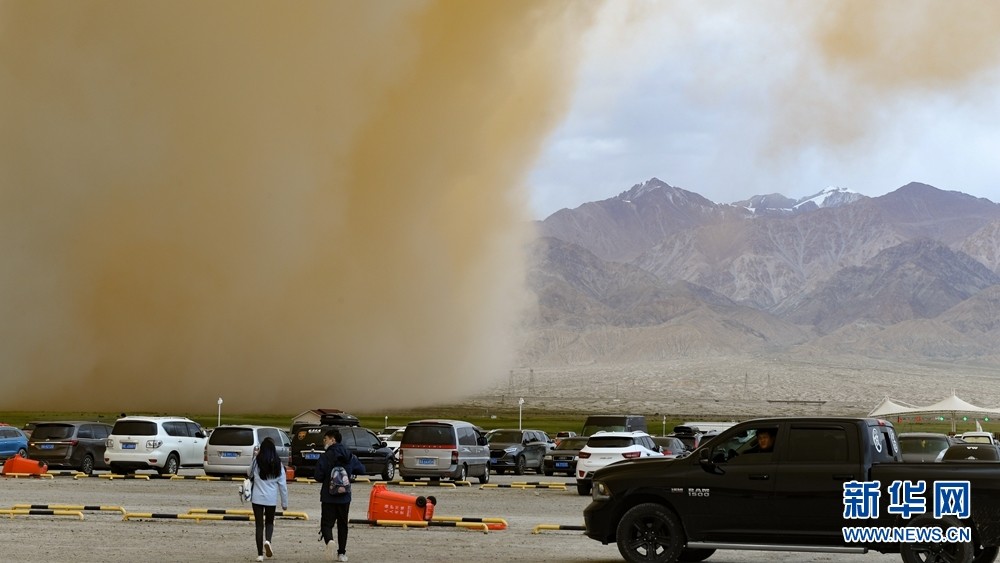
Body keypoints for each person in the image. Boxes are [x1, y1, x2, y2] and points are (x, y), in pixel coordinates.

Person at [315, 427, 365, 562]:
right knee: (343, 525)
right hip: (344, 497)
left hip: (328, 496)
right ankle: (342, 553)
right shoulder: (349, 455)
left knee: (326, 524)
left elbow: (318, 476)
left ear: (332, 439)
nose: (324, 441)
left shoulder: (325, 457)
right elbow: (362, 469)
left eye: (325, 439)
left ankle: (330, 541)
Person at [248, 437, 288, 561]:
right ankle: (268, 541)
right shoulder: (278, 464)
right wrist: (284, 503)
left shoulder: (256, 461)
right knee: (269, 522)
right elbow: (283, 486)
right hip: (271, 499)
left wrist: (254, 456)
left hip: (257, 498)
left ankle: (260, 554)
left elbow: (248, 473)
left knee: (259, 526)